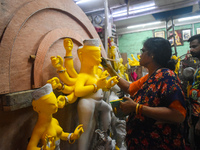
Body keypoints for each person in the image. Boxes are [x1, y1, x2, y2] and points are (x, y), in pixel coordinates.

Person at [101, 37, 186, 149]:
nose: (140, 55)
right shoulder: (150, 77)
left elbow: (179, 115)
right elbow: (129, 87)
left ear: (152, 55)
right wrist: (111, 70)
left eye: (142, 51)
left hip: (159, 143)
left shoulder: (167, 77)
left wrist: (137, 108)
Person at [27, 83, 84, 150]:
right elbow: (30, 148)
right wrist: (43, 149)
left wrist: (72, 136)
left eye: (55, 102)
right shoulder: (40, 128)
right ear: (37, 108)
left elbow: (61, 134)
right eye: (51, 105)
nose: (56, 106)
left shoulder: (54, 121)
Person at [187, 34, 200, 149]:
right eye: (191, 47)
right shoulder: (199, 66)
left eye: (194, 46)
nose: (191, 50)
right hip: (196, 113)